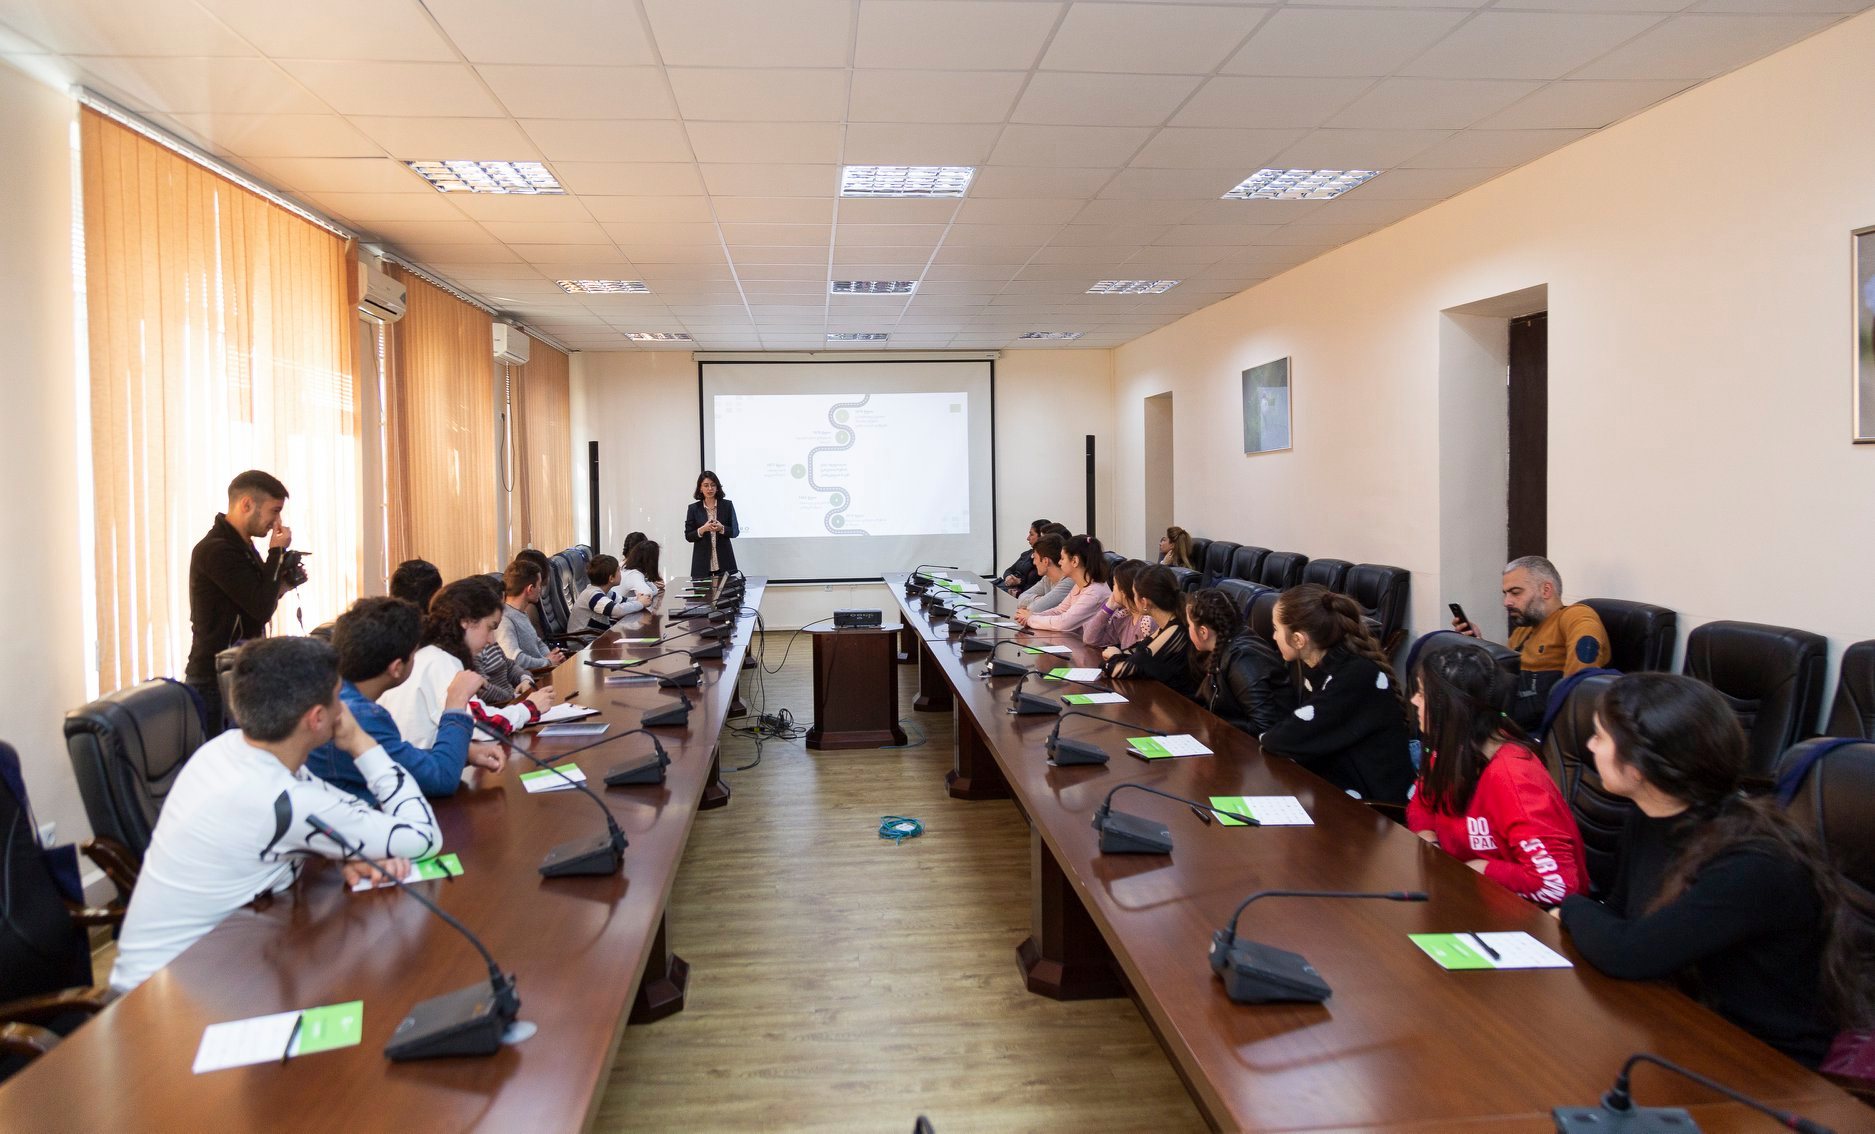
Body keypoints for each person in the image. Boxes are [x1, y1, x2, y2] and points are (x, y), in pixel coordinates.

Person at [1557, 674, 1872, 1067]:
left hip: (1764, 1062)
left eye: (1600, 737)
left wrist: (1570, 907)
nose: (1589, 746)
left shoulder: (1753, 863)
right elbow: (1621, 914)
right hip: (1679, 1017)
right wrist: (1591, 916)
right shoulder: (1649, 815)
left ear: (1639, 765)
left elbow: (1628, 951)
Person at [108, 636, 441, 994]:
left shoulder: (226, 749)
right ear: (317, 719)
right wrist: (363, 745)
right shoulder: (280, 799)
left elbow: (344, 811)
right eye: (338, 698)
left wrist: (343, 850)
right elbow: (424, 837)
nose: (344, 710)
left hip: (210, 965)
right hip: (158, 999)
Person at [1405, 641, 1586, 905]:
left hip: (1518, 913)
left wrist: (1483, 869)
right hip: (1463, 893)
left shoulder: (1514, 777)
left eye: (1422, 694)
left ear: (1452, 707)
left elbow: (1558, 884)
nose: (1414, 701)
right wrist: (1429, 840)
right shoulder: (1452, 748)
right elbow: (1423, 802)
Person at [306, 596, 507, 801]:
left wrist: (464, 753)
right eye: (413, 654)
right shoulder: (362, 716)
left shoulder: (340, 698)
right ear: (396, 668)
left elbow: (396, 759)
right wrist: (456, 702)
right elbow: (441, 779)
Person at [1260, 583, 1415, 803]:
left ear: (1298, 640)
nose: (1274, 636)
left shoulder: (1355, 675)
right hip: (1337, 791)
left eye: (1276, 629)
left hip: (1374, 807)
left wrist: (1269, 737)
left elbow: (1282, 739)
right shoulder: (1314, 667)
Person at [381, 578, 554, 747]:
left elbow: (473, 713)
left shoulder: (432, 654)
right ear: (466, 621)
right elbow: (480, 726)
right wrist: (530, 708)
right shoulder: (440, 661)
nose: (492, 640)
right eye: (490, 627)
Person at [185, 470, 296, 733]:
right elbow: (260, 608)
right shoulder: (217, 550)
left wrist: (281, 585)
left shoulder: (243, 547)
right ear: (246, 504)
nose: (277, 522)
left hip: (240, 670)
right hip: (214, 679)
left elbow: (253, 603)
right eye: (274, 511)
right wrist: (276, 553)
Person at [1454, 555, 1610, 730]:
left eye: (1515, 593)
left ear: (1546, 590)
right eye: (1505, 594)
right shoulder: (1523, 630)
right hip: (1511, 723)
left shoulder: (1575, 616)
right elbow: (1505, 677)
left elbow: (1579, 683)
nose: (1507, 602)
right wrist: (1481, 647)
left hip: (1543, 730)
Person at [1187, 587, 1295, 735]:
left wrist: (1213, 724)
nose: (1188, 629)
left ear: (1203, 632)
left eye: (1189, 625)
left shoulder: (1242, 660)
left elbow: (1264, 727)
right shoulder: (1226, 645)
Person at [1101, 565, 1196, 696]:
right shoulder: (1166, 625)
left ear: (1144, 602)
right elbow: (1136, 653)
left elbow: (1120, 669)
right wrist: (1117, 656)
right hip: (1162, 698)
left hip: (1179, 704)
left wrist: (1114, 656)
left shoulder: (1176, 629)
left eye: (1134, 594)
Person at [1018, 535, 1111, 635]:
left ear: (1074, 561)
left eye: (1062, 558)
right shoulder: (1079, 586)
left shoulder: (1094, 592)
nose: (1059, 562)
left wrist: (1031, 619)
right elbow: (1059, 611)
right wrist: (1032, 615)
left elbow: (1063, 623)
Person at [497, 559, 566, 673]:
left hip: (543, 671)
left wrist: (551, 656)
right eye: (539, 585)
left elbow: (537, 642)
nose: (540, 589)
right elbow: (515, 659)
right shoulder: (505, 620)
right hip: (533, 678)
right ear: (530, 589)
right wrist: (547, 662)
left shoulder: (521, 613)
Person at [568, 554, 643, 635]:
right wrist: (640, 603)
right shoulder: (593, 595)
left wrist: (639, 598)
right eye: (618, 570)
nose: (621, 573)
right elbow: (616, 611)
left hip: (597, 636)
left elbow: (623, 601)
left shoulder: (605, 592)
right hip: (585, 640)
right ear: (611, 578)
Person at [684, 470, 740, 577]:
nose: (710, 488)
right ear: (700, 488)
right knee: (703, 589)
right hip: (702, 564)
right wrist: (703, 529)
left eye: (713, 485)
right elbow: (688, 536)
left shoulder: (727, 505)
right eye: (706, 485)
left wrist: (721, 528)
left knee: (726, 588)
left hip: (724, 563)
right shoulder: (693, 508)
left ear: (717, 487)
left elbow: (735, 532)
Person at [1082, 559, 1146, 648]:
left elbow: (1144, 655)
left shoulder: (1145, 621)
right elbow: (1089, 639)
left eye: (1114, 584)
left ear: (1123, 591)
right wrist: (1107, 609)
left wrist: (1118, 654)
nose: (1113, 589)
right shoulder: (1123, 616)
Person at [1014, 534, 1073, 615]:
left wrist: (1038, 602)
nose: (1034, 563)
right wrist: (1039, 599)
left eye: (1035, 558)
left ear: (1045, 561)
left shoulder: (1068, 582)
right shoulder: (1047, 579)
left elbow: (1035, 609)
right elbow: (1021, 598)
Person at [999, 518, 1049, 594]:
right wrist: (1008, 577)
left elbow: (1035, 588)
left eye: (1031, 534)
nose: (1028, 538)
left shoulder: (1044, 561)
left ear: (1041, 537)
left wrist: (1019, 582)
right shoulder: (1026, 554)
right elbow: (1008, 570)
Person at [616, 539, 663, 605]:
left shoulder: (627, 568)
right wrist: (653, 587)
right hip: (619, 609)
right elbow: (647, 596)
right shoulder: (634, 574)